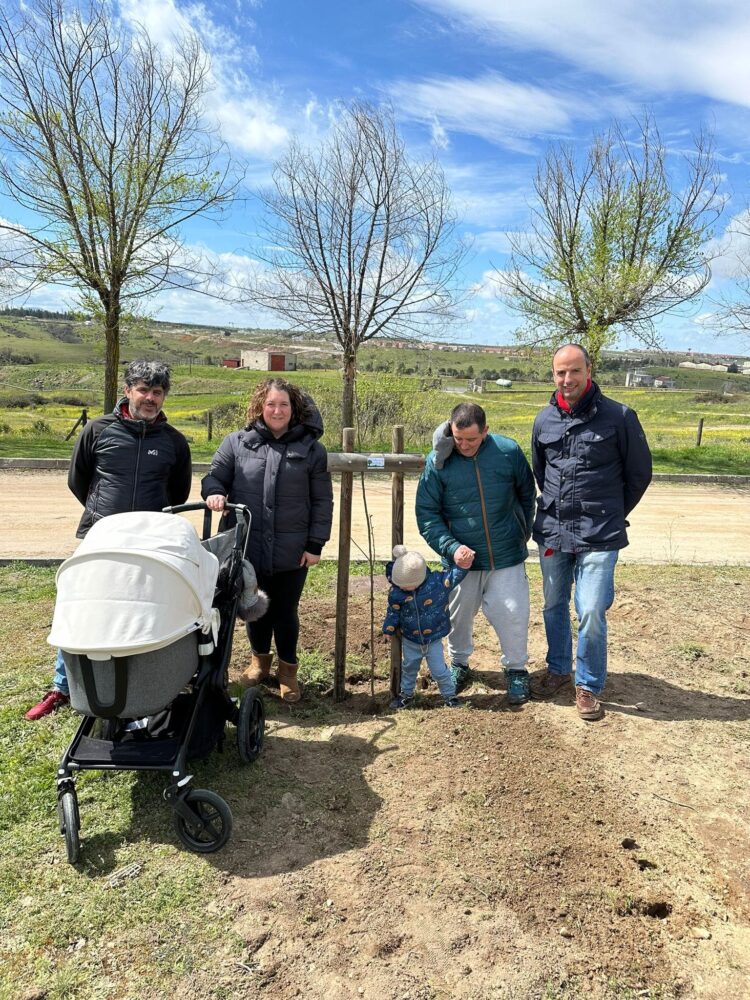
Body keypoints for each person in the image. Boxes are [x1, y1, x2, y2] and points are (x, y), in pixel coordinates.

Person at [25, 360, 192, 720]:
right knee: (80, 606)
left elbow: (178, 493)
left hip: (150, 542)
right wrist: (103, 514)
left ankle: (136, 684)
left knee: (142, 612)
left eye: (158, 392)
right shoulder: (99, 430)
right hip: (100, 536)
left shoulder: (175, 443)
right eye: (144, 389)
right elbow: (78, 479)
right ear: (129, 390)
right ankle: (62, 687)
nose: (150, 398)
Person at [530, 343, 652, 721]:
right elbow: (540, 471)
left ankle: (588, 684)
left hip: (600, 533)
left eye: (574, 371)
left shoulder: (620, 417)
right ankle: (558, 668)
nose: (567, 380)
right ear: (553, 375)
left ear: (589, 370)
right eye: (560, 373)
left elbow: (638, 475)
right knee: (553, 604)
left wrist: (610, 513)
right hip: (553, 530)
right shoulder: (543, 420)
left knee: (592, 609)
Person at [201, 377, 333, 703]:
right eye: (271, 404)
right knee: (253, 606)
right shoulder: (236, 443)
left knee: (286, 611)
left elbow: (322, 501)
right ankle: (259, 663)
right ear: (261, 405)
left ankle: (288, 672)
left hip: (292, 549)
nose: (277, 410)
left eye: (284, 404)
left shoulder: (312, 451)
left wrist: (315, 543)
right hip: (247, 546)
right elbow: (215, 476)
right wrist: (215, 491)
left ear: (294, 409)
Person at [416, 402, 536, 705]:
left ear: (485, 431)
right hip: (461, 562)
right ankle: (459, 665)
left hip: (505, 555)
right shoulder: (438, 462)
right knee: (458, 617)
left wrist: (520, 533)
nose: (464, 445)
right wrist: (452, 548)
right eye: (458, 439)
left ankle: (517, 669)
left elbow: (526, 495)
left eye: (471, 439)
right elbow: (428, 514)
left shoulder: (508, 452)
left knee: (513, 613)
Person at [383, 544, 468, 710]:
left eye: (407, 585)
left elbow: (454, 576)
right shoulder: (397, 592)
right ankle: (406, 696)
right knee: (408, 669)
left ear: (419, 579)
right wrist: (388, 628)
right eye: (399, 584)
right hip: (410, 640)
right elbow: (393, 611)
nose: (403, 588)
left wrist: (464, 564)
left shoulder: (436, 584)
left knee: (440, 671)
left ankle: (450, 696)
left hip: (433, 639)